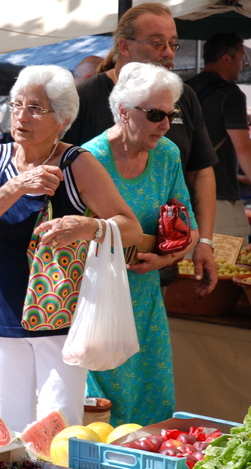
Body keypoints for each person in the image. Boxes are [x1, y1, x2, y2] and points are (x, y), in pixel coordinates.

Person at [0, 65, 142, 431]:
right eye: (16, 105)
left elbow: (130, 228)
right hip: (1, 316)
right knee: (10, 427)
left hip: (61, 320)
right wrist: (17, 186)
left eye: (35, 108)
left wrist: (90, 226)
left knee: (58, 428)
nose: (21, 116)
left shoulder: (77, 164)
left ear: (63, 120)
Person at [64, 3, 218, 296]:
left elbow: (201, 171)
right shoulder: (83, 98)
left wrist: (204, 242)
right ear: (124, 45)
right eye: (158, 43)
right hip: (94, 277)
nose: (169, 53)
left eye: (173, 44)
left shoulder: (183, 97)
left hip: (160, 267)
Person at [83, 62, 200, 426]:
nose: (165, 125)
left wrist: (165, 261)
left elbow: (190, 230)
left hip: (146, 299)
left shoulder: (167, 155)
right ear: (123, 111)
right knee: (99, 412)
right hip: (94, 301)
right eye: (154, 115)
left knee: (152, 407)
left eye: (171, 114)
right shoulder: (89, 159)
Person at [186, 33, 251, 239]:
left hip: (183, 193)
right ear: (226, 58)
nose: (243, 64)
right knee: (229, 264)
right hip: (219, 195)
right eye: (242, 57)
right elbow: (243, 148)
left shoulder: (183, 90)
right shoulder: (231, 95)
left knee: (189, 266)